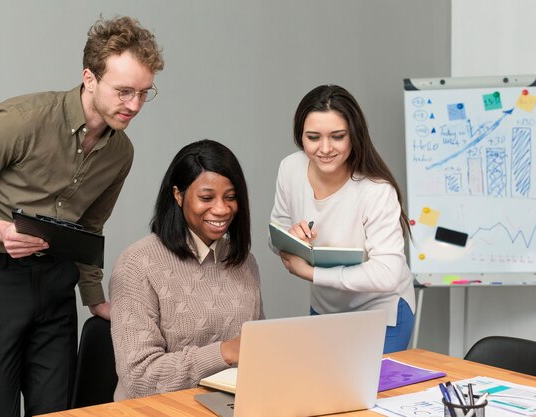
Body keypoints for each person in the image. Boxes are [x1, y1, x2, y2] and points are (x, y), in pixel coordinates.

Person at [0, 16, 164, 417]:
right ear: (89, 78)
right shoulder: (25, 119)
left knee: (58, 412)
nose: (135, 105)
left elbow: (90, 227)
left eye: (144, 93)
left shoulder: (121, 152)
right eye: (124, 91)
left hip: (56, 283)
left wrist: (93, 297)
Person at [110, 139, 264, 400]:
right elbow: (139, 378)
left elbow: (257, 355)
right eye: (206, 197)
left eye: (231, 197)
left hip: (228, 407)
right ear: (178, 195)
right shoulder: (137, 263)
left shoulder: (245, 262)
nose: (222, 209)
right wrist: (224, 352)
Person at [270, 84, 415, 353]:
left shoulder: (376, 190)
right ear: (300, 137)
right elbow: (276, 232)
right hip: (326, 308)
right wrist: (290, 238)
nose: (325, 148)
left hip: (382, 313)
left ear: (354, 136)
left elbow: (386, 275)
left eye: (337, 136)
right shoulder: (291, 168)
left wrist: (312, 273)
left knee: (372, 393)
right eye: (313, 137)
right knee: (326, 391)